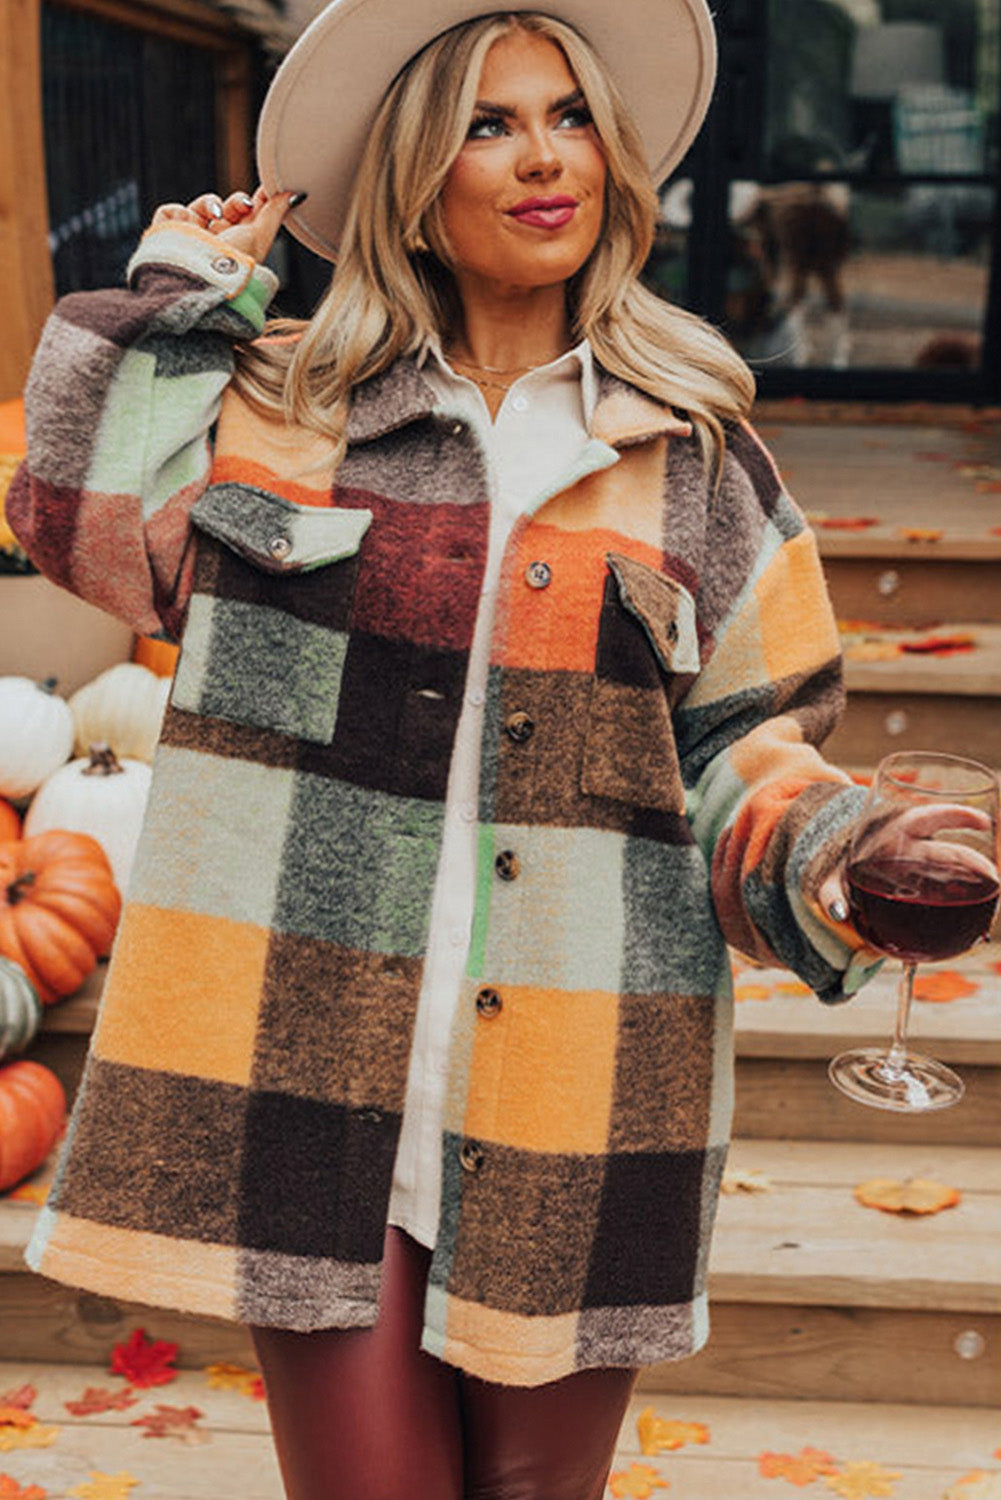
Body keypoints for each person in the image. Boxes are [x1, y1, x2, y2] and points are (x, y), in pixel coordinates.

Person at [9, 1, 884, 1495]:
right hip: (299, 1058)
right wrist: (187, 294)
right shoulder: (281, 411)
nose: (543, 159)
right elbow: (72, 518)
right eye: (488, 123)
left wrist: (839, 853)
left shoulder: (693, 452)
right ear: (415, 172)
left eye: (568, 118)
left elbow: (752, 741)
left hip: (580, 1066)